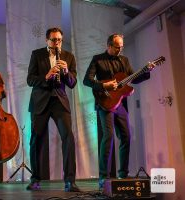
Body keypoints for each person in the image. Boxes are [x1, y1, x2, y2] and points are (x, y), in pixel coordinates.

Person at [83, 34, 154, 189]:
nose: (120, 49)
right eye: (117, 47)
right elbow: (87, 80)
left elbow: (132, 78)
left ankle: (122, 173)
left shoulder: (124, 60)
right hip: (104, 102)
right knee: (108, 137)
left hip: (119, 104)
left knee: (126, 136)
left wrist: (146, 72)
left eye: (122, 46)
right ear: (109, 45)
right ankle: (103, 176)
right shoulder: (98, 59)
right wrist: (104, 86)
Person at [26, 27, 80, 192]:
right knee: (36, 140)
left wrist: (65, 72)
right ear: (47, 40)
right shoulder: (37, 54)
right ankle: (35, 179)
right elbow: (30, 80)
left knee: (68, 137)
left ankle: (70, 181)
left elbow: (72, 83)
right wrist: (47, 76)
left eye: (59, 40)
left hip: (59, 102)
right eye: (53, 40)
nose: (56, 43)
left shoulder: (69, 56)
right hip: (40, 101)